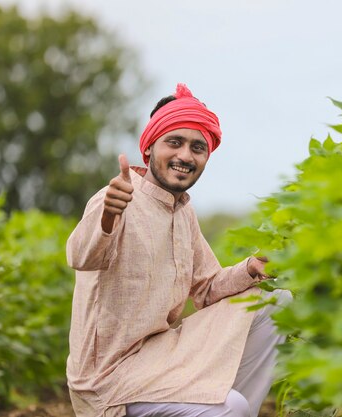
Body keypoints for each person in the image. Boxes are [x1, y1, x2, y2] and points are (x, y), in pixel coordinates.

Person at [66, 83, 290, 417]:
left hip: (161, 356)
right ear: (149, 148)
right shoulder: (117, 198)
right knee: (231, 408)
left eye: (198, 147)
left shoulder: (182, 211)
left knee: (276, 302)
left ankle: (224, 407)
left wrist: (251, 268)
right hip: (110, 380)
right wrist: (109, 215)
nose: (186, 155)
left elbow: (206, 288)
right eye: (175, 142)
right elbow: (82, 256)